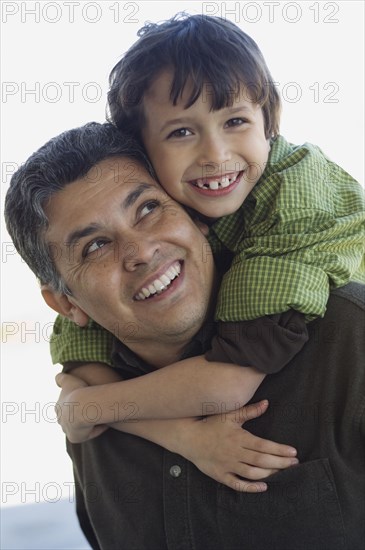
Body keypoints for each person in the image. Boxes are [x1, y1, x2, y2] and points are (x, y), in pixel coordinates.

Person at [5, 122, 365, 549]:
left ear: (197, 216)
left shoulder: (349, 337)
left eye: (147, 209)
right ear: (67, 305)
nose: (140, 252)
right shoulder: (91, 404)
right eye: (95, 246)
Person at [51, 13, 364, 395]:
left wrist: (88, 407)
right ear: (143, 154)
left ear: (268, 123)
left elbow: (233, 380)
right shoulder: (163, 204)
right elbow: (86, 326)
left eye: (235, 121)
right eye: (181, 132)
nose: (216, 155)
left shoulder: (294, 199)